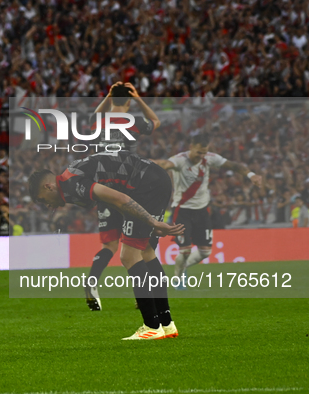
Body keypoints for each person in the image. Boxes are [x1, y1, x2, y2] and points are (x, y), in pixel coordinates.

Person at [28, 151, 184, 340]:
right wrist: (149, 221)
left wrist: (151, 222)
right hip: (155, 179)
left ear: (48, 186)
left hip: (145, 184)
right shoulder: (71, 180)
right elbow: (115, 198)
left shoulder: (72, 183)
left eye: (43, 199)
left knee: (129, 256)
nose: (48, 206)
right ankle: (167, 324)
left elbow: (121, 198)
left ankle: (152, 326)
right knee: (146, 252)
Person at [85, 82, 161, 311]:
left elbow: (92, 119)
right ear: (128, 101)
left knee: (109, 244)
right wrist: (139, 99)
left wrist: (107, 97)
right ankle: (147, 296)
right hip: (129, 187)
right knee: (141, 245)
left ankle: (91, 282)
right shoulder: (134, 121)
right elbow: (156, 122)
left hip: (103, 187)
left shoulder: (99, 122)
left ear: (111, 99)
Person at [153, 133, 262, 288]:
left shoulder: (210, 158)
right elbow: (164, 164)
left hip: (202, 210)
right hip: (182, 210)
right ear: (191, 147)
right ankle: (178, 278)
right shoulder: (180, 160)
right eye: (199, 152)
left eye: (204, 152)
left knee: (205, 252)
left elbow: (234, 166)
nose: (201, 156)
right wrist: (148, 165)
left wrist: (251, 175)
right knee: (185, 251)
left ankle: (183, 269)